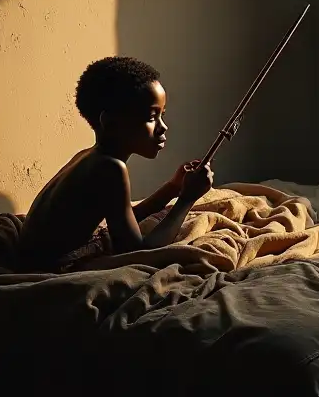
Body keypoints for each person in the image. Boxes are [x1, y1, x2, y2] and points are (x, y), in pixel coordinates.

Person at [16, 56, 214, 270]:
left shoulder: (90, 156)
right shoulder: (111, 168)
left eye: (161, 116)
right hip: (51, 266)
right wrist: (187, 199)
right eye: (151, 117)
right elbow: (138, 254)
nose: (163, 127)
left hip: (31, 256)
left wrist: (173, 188)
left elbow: (123, 220)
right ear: (110, 123)